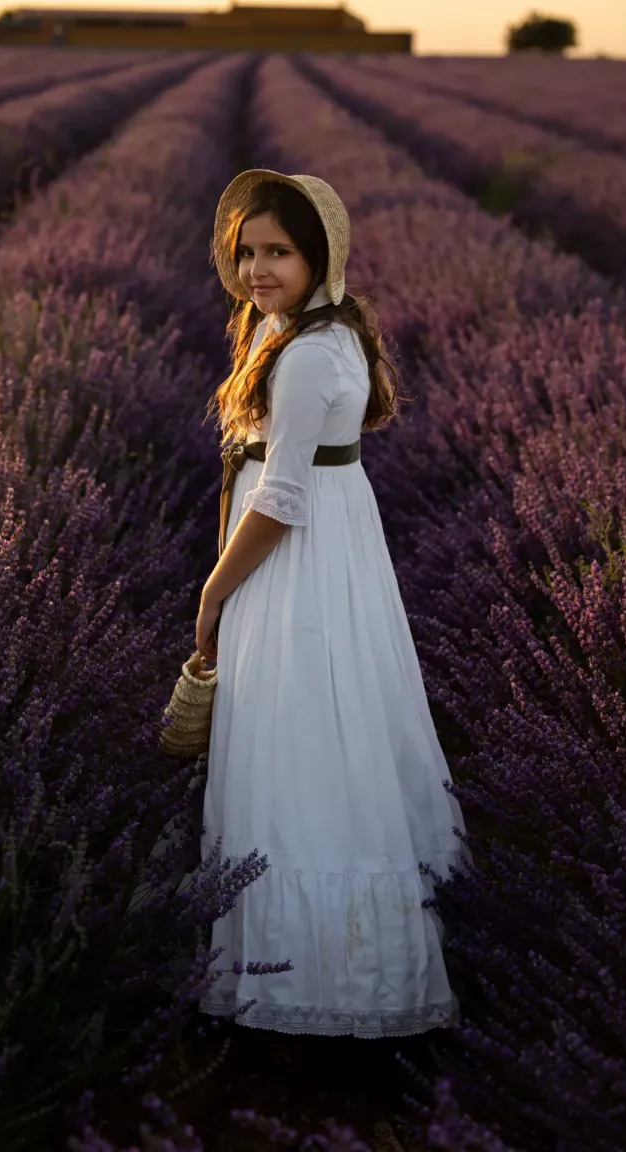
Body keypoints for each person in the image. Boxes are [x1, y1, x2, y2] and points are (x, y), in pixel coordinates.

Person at [193, 169, 469, 1039]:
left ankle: (319, 989)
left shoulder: (308, 352)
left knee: (297, 746)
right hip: (329, 558)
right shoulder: (298, 330)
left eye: (279, 252)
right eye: (247, 252)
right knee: (333, 736)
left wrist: (212, 592)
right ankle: (332, 973)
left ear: (322, 257)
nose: (258, 269)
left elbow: (280, 499)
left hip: (300, 566)